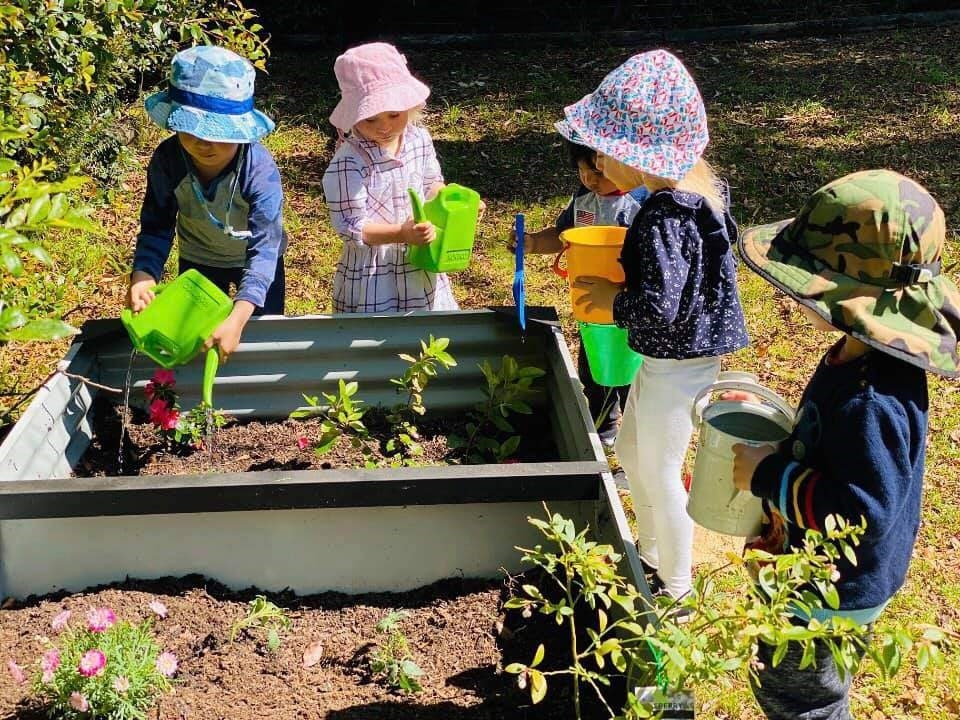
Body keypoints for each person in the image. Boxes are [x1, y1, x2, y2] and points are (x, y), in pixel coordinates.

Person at [731, 169, 960, 719]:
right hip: (828, 576)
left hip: (832, 590)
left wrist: (767, 476)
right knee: (814, 685)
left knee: (799, 698)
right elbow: (836, 453)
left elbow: (863, 511)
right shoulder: (861, 358)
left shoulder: (871, 400)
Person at [555, 49, 750, 600]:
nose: (594, 160)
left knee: (661, 470)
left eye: (600, 149)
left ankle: (676, 586)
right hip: (669, 360)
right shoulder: (689, 201)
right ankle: (650, 552)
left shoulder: (664, 217)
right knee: (634, 451)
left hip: (677, 364)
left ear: (632, 154)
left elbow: (658, 308)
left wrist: (611, 296)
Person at [128, 45, 287, 361]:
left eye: (218, 132)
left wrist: (239, 316)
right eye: (192, 129)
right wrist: (144, 275)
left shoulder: (258, 169)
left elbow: (265, 249)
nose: (204, 143)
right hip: (199, 259)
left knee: (257, 337)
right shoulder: (168, 161)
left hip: (253, 262)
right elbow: (156, 226)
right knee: (197, 338)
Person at [508, 139, 648, 446]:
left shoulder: (642, 202)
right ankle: (604, 426)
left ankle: (637, 437)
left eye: (598, 172)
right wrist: (532, 244)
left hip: (629, 305)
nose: (590, 180)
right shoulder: (586, 197)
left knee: (631, 374)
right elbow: (562, 236)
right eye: (583, 171)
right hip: (590, 305)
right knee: (593, 368)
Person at [323, 42, 482, 313]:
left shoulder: (418, 139)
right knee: (375, 341)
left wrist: (456, 208)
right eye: (370, 119)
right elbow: (351, 228)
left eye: (394, 115)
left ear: (410, 107)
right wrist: (401, 233)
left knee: (425, 337)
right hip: (374, 270)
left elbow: (432, 184)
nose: (384, 127)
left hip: (419, 259)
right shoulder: (349, 161)